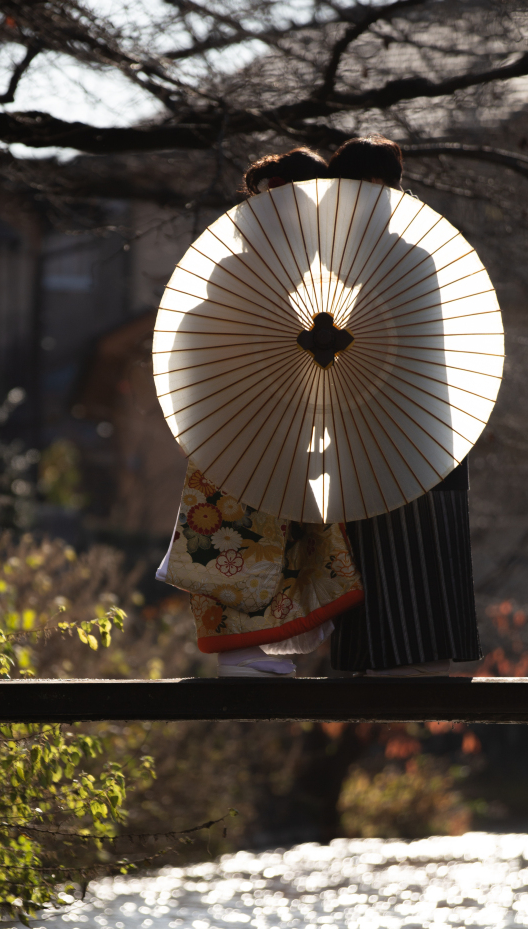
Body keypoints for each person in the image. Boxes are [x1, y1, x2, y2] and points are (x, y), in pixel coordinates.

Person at [157, 148, 365, 678]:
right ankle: (242, 653)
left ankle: (253, 652)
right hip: (242, 418)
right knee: (240, 534)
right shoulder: (257, 271)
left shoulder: (305, 270)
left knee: (279, 536)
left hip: (268, 416)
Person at [326, 136, 481, 677]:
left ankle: (387, 669)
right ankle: (411, 667)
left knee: (383, 544)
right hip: (421, 418)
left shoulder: (339, 262)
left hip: (381, 417)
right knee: (400, 547)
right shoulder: (412, 255)